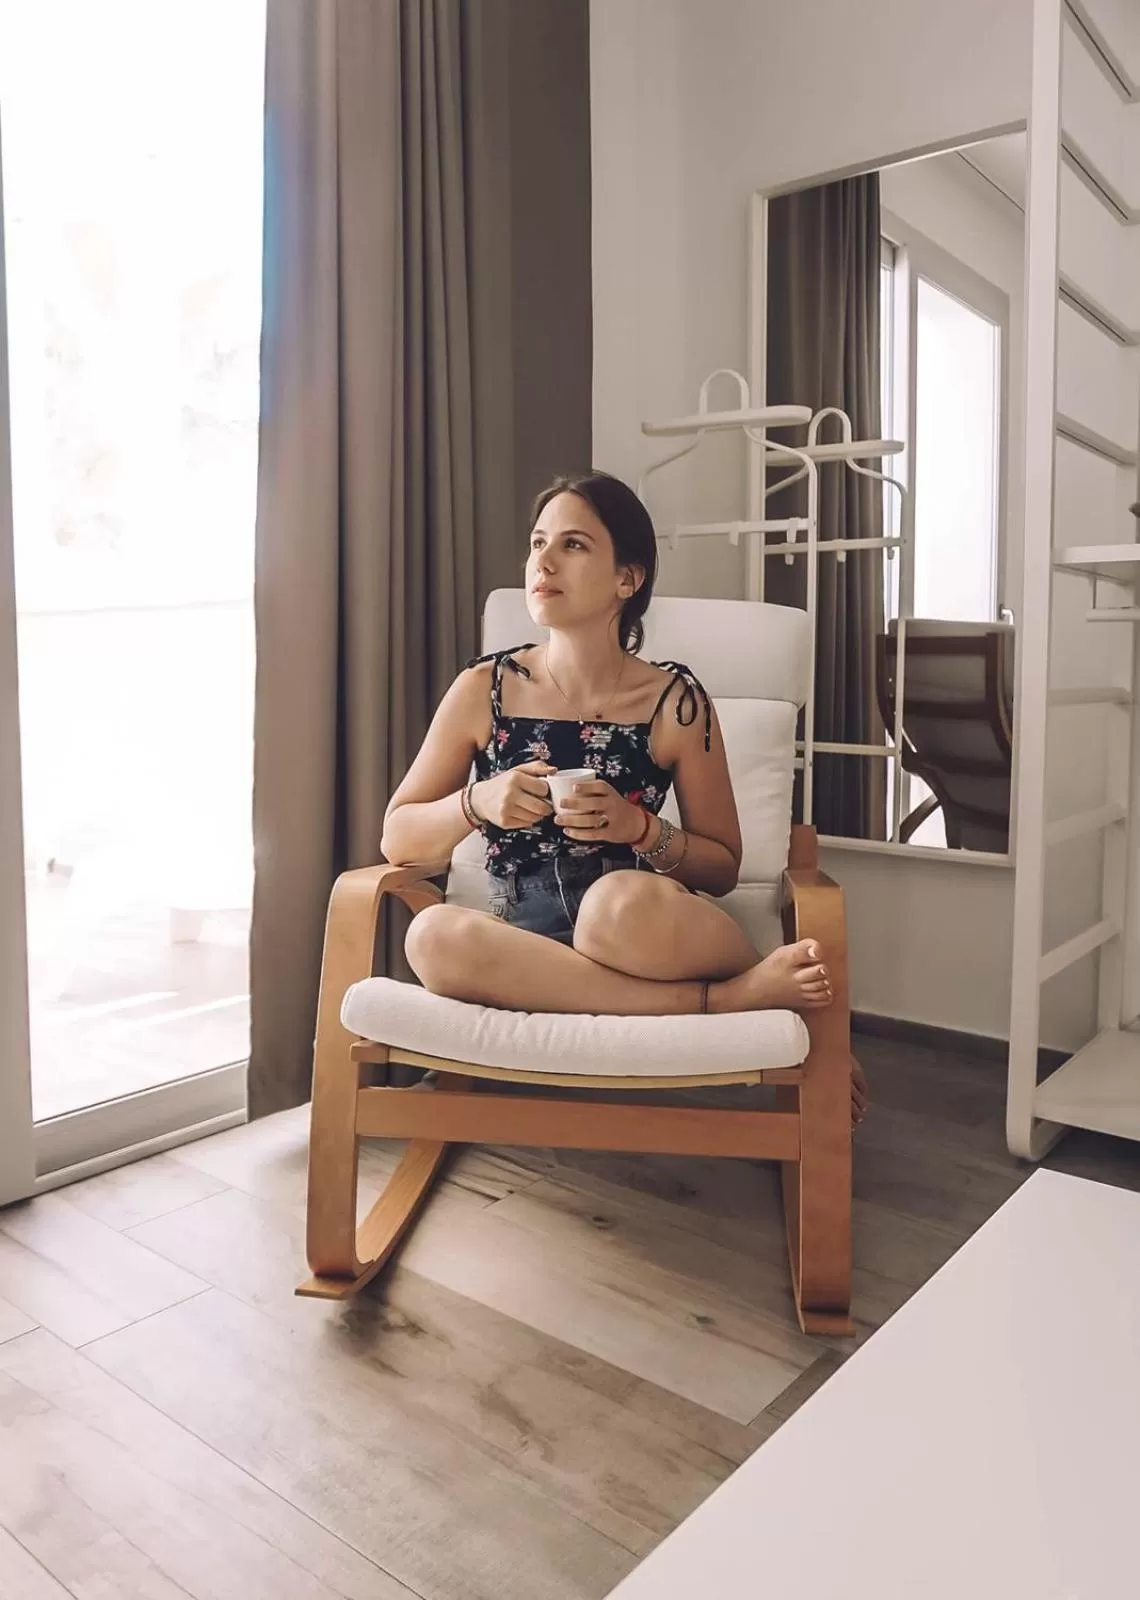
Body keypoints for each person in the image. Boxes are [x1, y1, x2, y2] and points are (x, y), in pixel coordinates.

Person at [382, 470, 868, 1126]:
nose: (543, 562)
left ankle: (746, 981)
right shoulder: (482, 690)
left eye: (573, 545)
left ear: (626, 580)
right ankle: (736, 999)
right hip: (522, 947)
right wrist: (478, 803)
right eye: (537, 543)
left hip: (644, 931)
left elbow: (721, 868)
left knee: (613, 906)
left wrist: (641, 829)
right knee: (432, 934)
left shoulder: (675, 702)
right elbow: (398, 836)